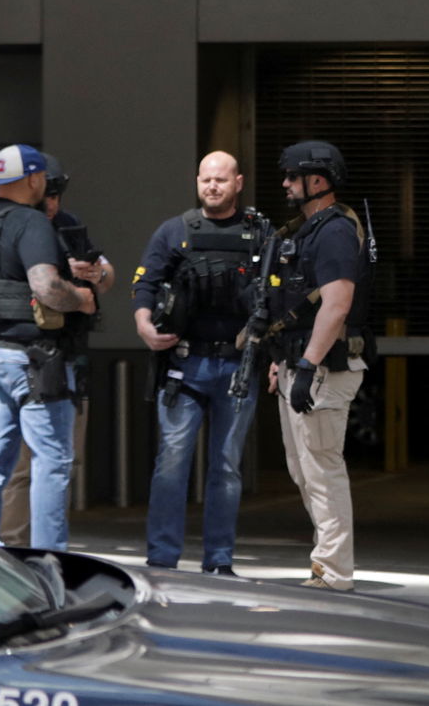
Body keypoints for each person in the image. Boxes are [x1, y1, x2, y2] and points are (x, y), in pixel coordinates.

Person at [132, 151, 267, 576]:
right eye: (206, 179)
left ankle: (219, 561)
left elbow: (279, 296)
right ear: (197, 182)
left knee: (226, 466)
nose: (212, 186)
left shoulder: (260, 233)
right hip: (184, 365)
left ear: (238, 182)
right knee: (172, 462)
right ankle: (162, 559)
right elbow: (145, 287)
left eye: (221, 180)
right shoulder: (175, 231)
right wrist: (143, 327)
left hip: (236, 365)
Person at [261, 141, 372, 591]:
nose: (286, 184)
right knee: (303, 468)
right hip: (302, 363)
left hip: (325, 367)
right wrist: (283, 363)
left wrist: (307, 365)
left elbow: (337, 303)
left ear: (318, 181)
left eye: (292, 176)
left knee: (322, 467)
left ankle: (333, 571)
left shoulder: (334, 233)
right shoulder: (306, 230)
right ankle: (326, 562)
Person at [0, 143, 97, 550]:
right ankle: (50, 562)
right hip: (33, 362)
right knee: (52, 463)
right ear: (32, 178)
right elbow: (46, 287)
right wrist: (81, 298)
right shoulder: (31, 223)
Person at [0, 152, 115, 545]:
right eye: (48, 194)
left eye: (57, 195)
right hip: (22, 357)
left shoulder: (66, 225)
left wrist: (94, 274)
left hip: (64, 360)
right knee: (18, 467)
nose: (53, 205)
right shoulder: (12, 225)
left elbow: (107, 271)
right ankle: (14, 548)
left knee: (60, 462)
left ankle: (49, 550)